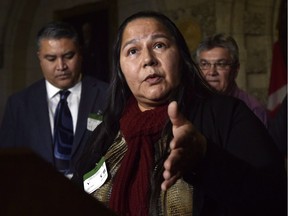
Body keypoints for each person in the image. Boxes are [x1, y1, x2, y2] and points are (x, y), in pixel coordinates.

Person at [72, 11, 286, 216]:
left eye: (159, 45)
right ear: (120, 68)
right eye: (133, 51)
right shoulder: (107, 132)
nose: (148, 59)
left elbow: (275, 199)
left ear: (181, 57)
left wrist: (206, 156)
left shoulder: (226, 115)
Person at [0, 21, 108, 177]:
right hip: (36, 197)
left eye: (69, 56)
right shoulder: (19, 104)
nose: (61, 66)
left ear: (80, 53)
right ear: (40, 58)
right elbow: (7, 163)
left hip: (93, 198)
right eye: (51, 58)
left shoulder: (107, 95)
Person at [195, 33, 268, 126]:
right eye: (205, 64)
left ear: (235, 70)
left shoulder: (253, 110)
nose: (212, 72)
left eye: (221, 64)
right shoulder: (192, 106)